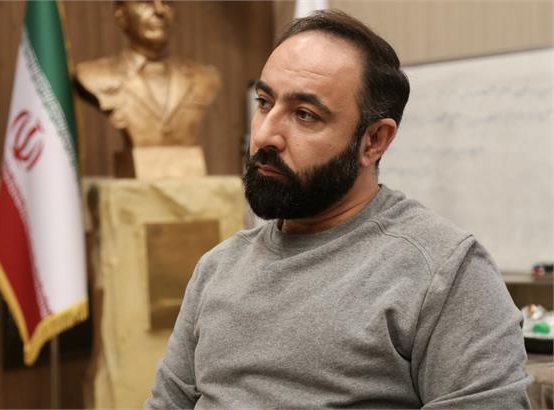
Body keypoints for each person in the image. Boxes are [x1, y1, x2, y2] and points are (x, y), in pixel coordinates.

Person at [144, 10, 531, 409]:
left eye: (305, 115)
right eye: (264, 102)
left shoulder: (445, 273)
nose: (265, 134)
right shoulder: (218, 268)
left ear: (374, 141)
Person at [76, 0, 220, 148]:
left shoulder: (204, 78)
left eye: (167, 2)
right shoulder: (94, 76)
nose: (159, 10)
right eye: (145, 2)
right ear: (121, 14)